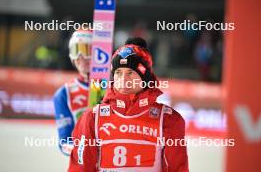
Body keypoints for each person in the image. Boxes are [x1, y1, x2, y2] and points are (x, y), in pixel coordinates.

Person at [68, 37, 189, 171]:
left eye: (130, 73)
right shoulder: (92, 117)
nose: (123, 79)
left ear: (145, 78)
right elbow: (80, 168)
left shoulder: (168, 119)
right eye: (118, 73)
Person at [53, 29, 92, 155]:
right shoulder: (64, 94)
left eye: (87, 50)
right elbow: (64, 142)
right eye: (76, 50)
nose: (81, 56)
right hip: (83, 164)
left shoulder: (115, 88)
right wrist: (83, 151)